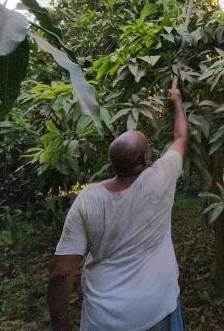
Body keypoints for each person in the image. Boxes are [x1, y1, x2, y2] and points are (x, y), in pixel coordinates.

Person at [47, 88, 189, 331]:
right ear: (145, 159)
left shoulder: (88, 198)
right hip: (157, 309)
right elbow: (181, 138)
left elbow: (61, 273)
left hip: (104, 318)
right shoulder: (160, 178)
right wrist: (177, 102)